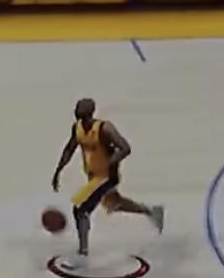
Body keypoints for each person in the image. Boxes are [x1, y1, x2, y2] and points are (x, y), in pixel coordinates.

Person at [51, 98, 164, 259]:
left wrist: (110, 163)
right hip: (93, 176)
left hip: (106, 177)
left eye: (81, 109)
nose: (77, 111)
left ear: (90, 112)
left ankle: (83, 253)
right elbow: (69, 149)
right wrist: (58, 170)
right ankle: (152, 211)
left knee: (81, 209)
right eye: (77, 108)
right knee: (115, 204)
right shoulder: (77, 128)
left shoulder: (104, 129)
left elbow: (125, 148)